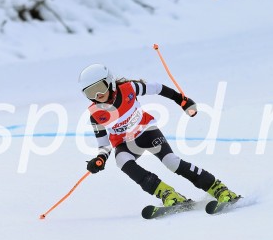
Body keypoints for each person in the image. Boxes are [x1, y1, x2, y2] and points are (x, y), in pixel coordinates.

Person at [79, 63, 238, 207]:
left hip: (146, 131)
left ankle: (217, 187)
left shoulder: (129, 88)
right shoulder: (95, 113)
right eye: (90, 92)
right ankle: (166, 193)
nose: (97, 94)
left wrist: (181, 100)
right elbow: (103, 144)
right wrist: (100, 158)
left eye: (100, 87)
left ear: (110, 82)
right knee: (121, 160)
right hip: (124, 143)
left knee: (171, 162)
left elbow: (157, 88)